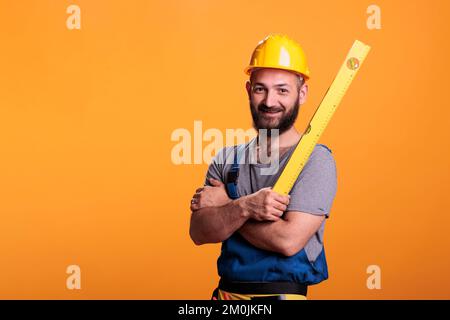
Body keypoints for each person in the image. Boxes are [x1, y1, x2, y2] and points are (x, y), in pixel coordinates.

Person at [189, 34, 337, 300]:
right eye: (261, 89)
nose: (270, 101)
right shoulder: (227, 158)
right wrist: (246, 206)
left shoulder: (316, 160)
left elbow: (287, 241)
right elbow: (199, 232)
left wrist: (228, 204)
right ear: (249, 90)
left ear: (301, 94)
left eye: (282, 90)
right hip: (225, 298)